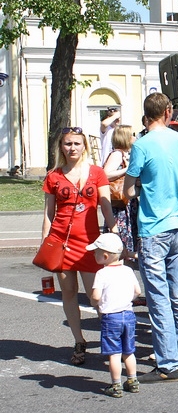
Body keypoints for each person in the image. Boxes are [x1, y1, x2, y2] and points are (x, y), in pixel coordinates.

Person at [124, 92, 178, 382]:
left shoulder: (141, 144)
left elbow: (128, 190)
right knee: (177, 291)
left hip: (153, 227)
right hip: (176, 224)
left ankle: (167, 363)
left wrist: (139, 188)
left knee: (158, 297)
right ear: (168, 112)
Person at [41, 126, 118, 366]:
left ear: (84, 146)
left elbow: (106, 207)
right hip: (61, 242)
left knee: (97, 296)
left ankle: (110, 338)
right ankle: (79, 341)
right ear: (61, 147)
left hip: (90, 243)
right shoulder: (53, 175)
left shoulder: (96, 173)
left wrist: (114, 234)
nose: (72, 148)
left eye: (76, 143)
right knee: (69, 293)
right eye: (67, 144)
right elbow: (48, 213)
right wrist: (45, 243)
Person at [87, 232, 141, 398]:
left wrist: (94, 303)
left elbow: (96, 296)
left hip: (111, 317)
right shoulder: (127, 270)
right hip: (128, 314)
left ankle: (116, 384)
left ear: (104, 256)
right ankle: (132, 380)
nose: (93, 254)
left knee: (114, 353)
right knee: (128, 351)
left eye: (95, 252)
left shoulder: (102, 274)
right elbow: (137, 291)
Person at [102, 124, 139, 260]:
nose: (134, 137)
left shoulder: (125, 154)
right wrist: (128, 169)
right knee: (120, 243)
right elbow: (106, 174)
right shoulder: (117, 154)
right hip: (120, 205)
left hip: (126, 204)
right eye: (132, 134)